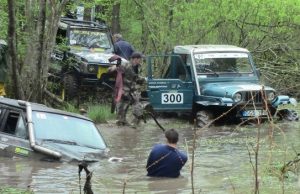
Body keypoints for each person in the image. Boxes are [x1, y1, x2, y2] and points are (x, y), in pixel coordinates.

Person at [108, 52, 145, 127]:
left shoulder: (137, 67)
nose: (141, 61)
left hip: (131, 89)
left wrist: (143, 79)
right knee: (122, 105)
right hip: (123, 89)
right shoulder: (126, 64)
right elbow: (110, 70)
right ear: (135, 59)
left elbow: (135, 77)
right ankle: (121, 122)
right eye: (140, 59)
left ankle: (129, 122)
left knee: (131, 105)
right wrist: (114, 68)